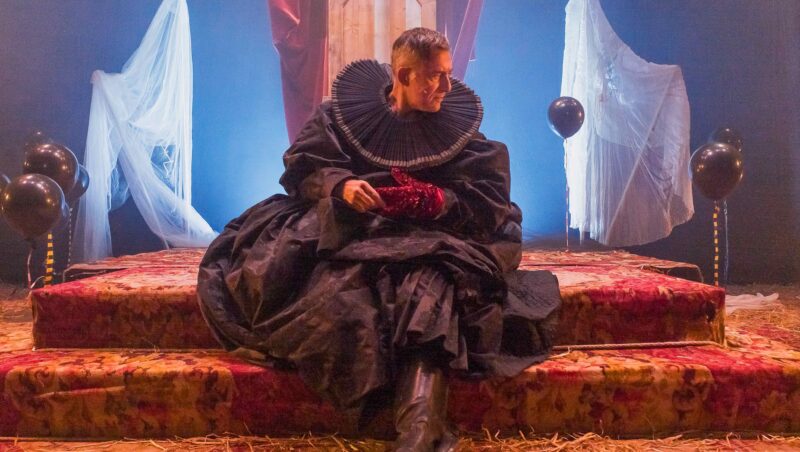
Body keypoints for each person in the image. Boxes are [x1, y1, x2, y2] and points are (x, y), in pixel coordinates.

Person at [197, 28, 561, 451]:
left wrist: (436, 200)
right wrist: (341, 186)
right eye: (435, 76)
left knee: (430, 284)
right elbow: (305, 166)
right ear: (403, 75)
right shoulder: (340, 116)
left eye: (448, 74)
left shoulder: (456, 126)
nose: (447, 86)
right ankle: (413, 427)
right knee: (345, 293)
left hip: (432, 235)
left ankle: (420, 431)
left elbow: (486, 193)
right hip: (354, 230)